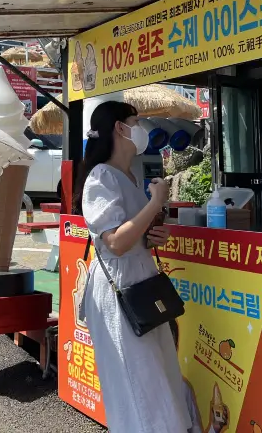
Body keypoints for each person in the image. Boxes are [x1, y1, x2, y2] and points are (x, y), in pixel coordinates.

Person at [74, 100, 192, 433]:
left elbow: (132, 235)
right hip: (121, 288)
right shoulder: (101, 176)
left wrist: (152, 235)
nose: (141, 129)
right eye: (135, 121)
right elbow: (114, 241)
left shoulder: (129, 174)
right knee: (138, 384)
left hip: (140, 283)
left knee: (158, 377)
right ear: (118, 128)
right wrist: (156, 202)